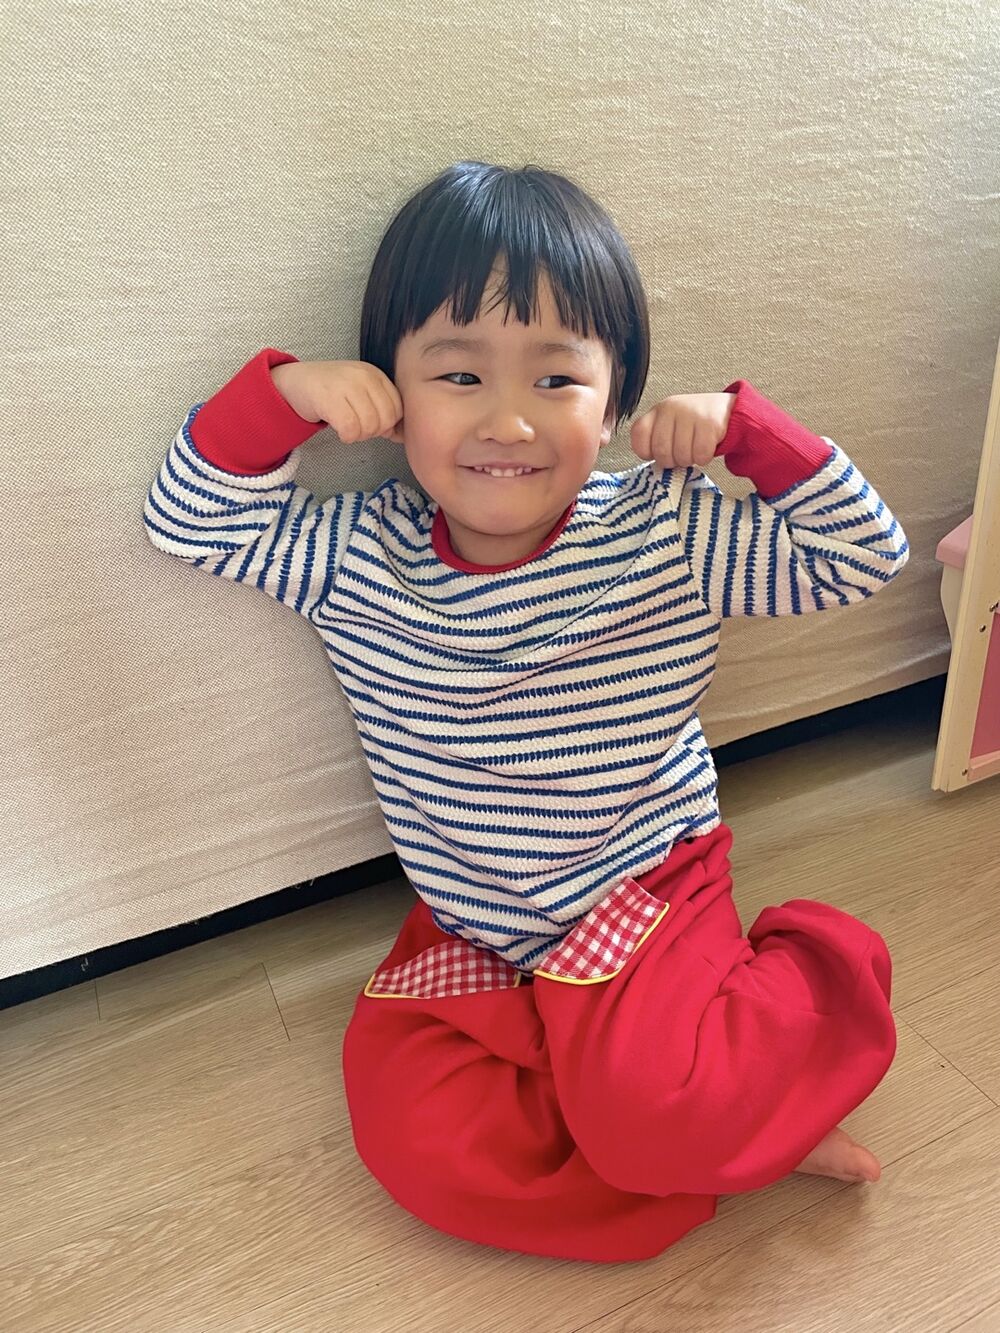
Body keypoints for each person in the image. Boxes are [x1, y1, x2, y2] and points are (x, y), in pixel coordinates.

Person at [143, 160, 910, 1264]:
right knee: (420, 1146)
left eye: (556, 380)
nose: (507, 419)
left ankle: (791, 998)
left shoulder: (663, 529)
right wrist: (284, 397)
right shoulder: (356, 551)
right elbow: (191, 523)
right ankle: (718, 1124)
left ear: (616, 400)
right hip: (475, 925)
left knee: (651, 1114)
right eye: (458, 374)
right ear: (390, 395)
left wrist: (748, 432)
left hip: (645, 899)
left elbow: (859, 555)